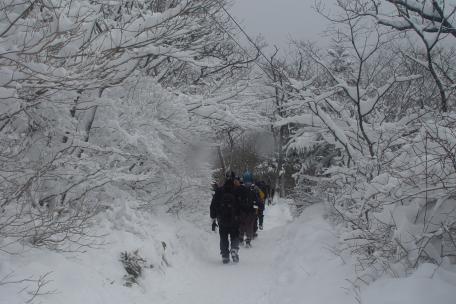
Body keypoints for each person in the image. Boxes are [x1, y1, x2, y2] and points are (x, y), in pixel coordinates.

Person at [210, 172, 240, 264]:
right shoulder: (237, 190)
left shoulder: (219, 190)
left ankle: (225, 255)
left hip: (221, 218)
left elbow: (213, 205)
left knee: (223, 237)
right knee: (235, 235)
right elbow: (240, 205)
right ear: (234, 178)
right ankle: (234, 249)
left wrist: (213, 218)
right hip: (234, 219)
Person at [234, 177, 256, 248]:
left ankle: (240, 239)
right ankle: (248, 241)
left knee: (241, 224)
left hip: (242, 210)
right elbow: (258, 201)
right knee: (249, 225)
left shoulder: (240, 190)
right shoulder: (253, 191)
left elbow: (236, 200)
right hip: (250, 211)